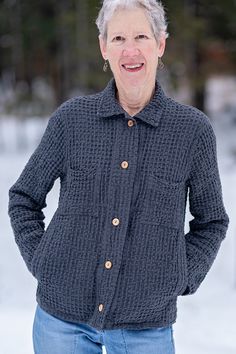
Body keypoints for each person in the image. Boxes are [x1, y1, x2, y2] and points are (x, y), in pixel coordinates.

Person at [8, 0, 229, 353]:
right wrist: (43, 260)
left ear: (160, 45)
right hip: (61, 324)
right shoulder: (71, 121)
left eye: (141, 36)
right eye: (119, 38)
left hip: (146, 328)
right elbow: (24, 199)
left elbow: (211, 221)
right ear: (103, 47)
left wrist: (182, 276)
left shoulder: (192, 131)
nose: (130, 50)